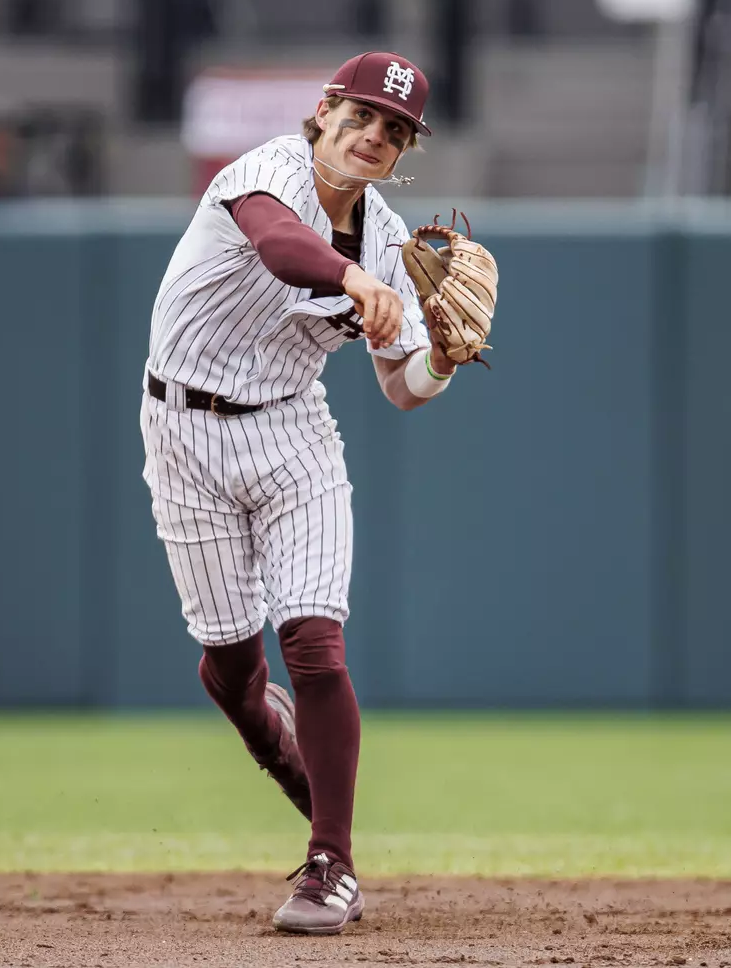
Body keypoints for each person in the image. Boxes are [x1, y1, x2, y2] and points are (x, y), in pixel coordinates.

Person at [139, 51, 474, 936]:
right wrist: (355, 278)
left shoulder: (392, 242)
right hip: (184, 429)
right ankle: (273, 745)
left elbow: (401, 389)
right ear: (323, 112)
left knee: (315, 641)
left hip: (293, 434)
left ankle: (332, 864)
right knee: (234, 669)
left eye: (394, 131)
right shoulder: (268, 169)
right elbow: (282, 246)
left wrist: (438, 359)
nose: (374, 137)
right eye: (362, 117)